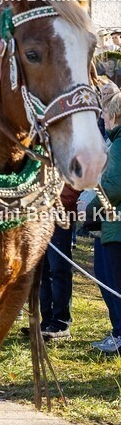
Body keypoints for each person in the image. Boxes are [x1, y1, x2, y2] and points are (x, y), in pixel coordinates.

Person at [89, 90, 121, 354]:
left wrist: (88, 210)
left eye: (106, 115)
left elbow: (113, 186)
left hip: (115, 226)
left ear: (115, 115)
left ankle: (120, 334)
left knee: (114, 283)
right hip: (111, 225)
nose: (103, 119)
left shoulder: (119, 144)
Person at [39, 184, 80, 340]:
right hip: (39, 217)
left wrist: (51, 199)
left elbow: (77, 186)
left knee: (59, 269)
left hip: (61, 215)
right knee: (42, 271)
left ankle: (61, 324)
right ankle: (46, 321)